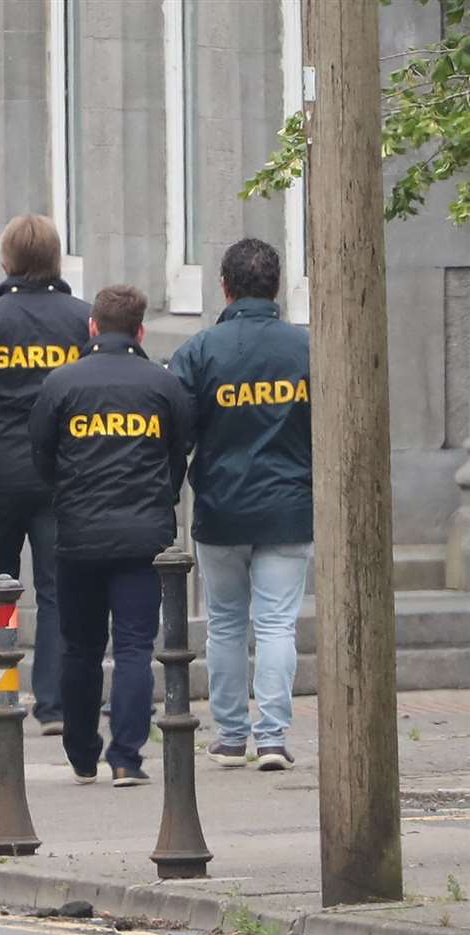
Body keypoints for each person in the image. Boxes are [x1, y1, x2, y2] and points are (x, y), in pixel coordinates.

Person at [29, 284, 193, 787]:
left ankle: (80, 750)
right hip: (143, 538)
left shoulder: (61, 384)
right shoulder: (162, 386)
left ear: (93, 327)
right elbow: (179, 454)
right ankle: (126, 757)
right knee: (134, 648)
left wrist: (71, 497)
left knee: (79, 647)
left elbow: (42, 455)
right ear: (140, 331)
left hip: (78, 535)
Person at [170, 239, 311, 772]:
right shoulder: (306, 350)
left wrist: (172, 494)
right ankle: (272, 738)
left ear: (224, 287)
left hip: (221, 505)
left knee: (226, 623)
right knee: (277, 623)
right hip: (288, 505)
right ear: (275, 287)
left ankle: (230, 737)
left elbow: (177, 434)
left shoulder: (200, 351)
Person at [0, 214, 89, 737]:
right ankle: (53, 703)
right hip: (64, 474)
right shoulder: (83, 320)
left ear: (6, 261)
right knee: (57, 589)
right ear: (56, 260)